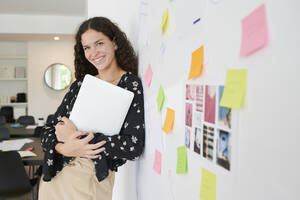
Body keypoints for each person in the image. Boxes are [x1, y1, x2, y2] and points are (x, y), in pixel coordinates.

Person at [39, 16, 145, 200]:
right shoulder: (80, 85)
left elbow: (132, 146)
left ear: (115, 43)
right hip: (55, 177)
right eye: (87, 47)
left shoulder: (129, 85)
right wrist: (65, 148)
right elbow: (48, 131)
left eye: (99, 43)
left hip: (90, 179)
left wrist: (76, 139)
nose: (93, 52)